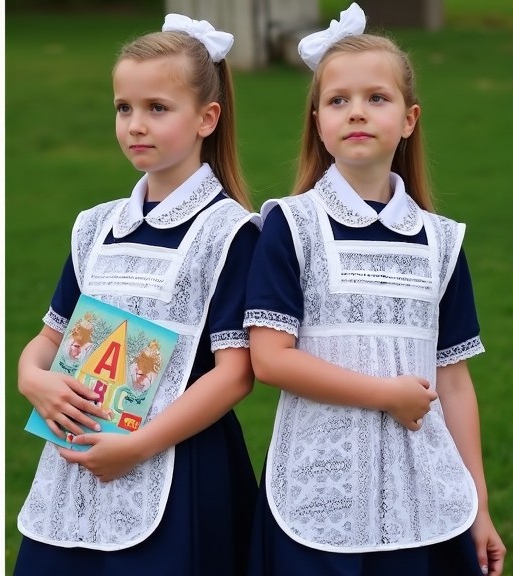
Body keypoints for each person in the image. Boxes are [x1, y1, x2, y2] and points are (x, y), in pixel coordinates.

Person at [243, 5, 506, 576]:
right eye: (338, 100)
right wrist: (385, 393)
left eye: (376, 98)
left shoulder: (440, 241)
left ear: (409, 120)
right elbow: (269, 360)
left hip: (428, 499)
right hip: (316, 493)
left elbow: (455, 383)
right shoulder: (291, 226)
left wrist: (479, 505)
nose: (356, 112)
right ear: (317, 120)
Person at [13, 13, 260, 575]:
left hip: (182, 470)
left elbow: (236, 372)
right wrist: (34, 381)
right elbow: (48, 338)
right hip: (75, 463)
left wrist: (136, 446)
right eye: (124, 108)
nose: (135, 125)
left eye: (157, 108)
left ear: (207, 118)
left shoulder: (231, 233)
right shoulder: (94, 226)